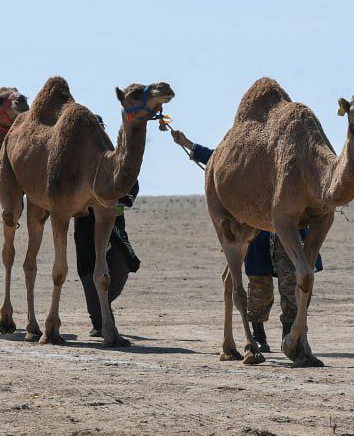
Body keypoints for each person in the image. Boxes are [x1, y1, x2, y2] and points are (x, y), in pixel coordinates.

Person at [170, 129, 321, 352]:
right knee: (259, 286)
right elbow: (221, 161)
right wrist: (190, 145)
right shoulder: (251, 161)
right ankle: (258, 334)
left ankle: (289, 336)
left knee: (293, 285)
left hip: (289, 231)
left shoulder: (293, 162)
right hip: (256, 228)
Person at [74, 183, 141, 337]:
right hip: (85, 222)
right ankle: (99, 320)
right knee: (88, 271)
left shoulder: (116, 160)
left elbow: (130, 180)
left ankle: (102, 307)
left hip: (113, 224)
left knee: (121, 269)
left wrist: (118, 204)